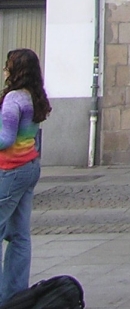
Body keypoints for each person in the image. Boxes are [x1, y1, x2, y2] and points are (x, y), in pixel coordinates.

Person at [0, 49, 49, 300]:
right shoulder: (34, 97)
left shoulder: (13, 99)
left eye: (8, 66)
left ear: (16, 70)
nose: (5, 70)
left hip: (11, 170)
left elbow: (5, 138)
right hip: (30, 167)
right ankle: (14, 297)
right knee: (19, 235)